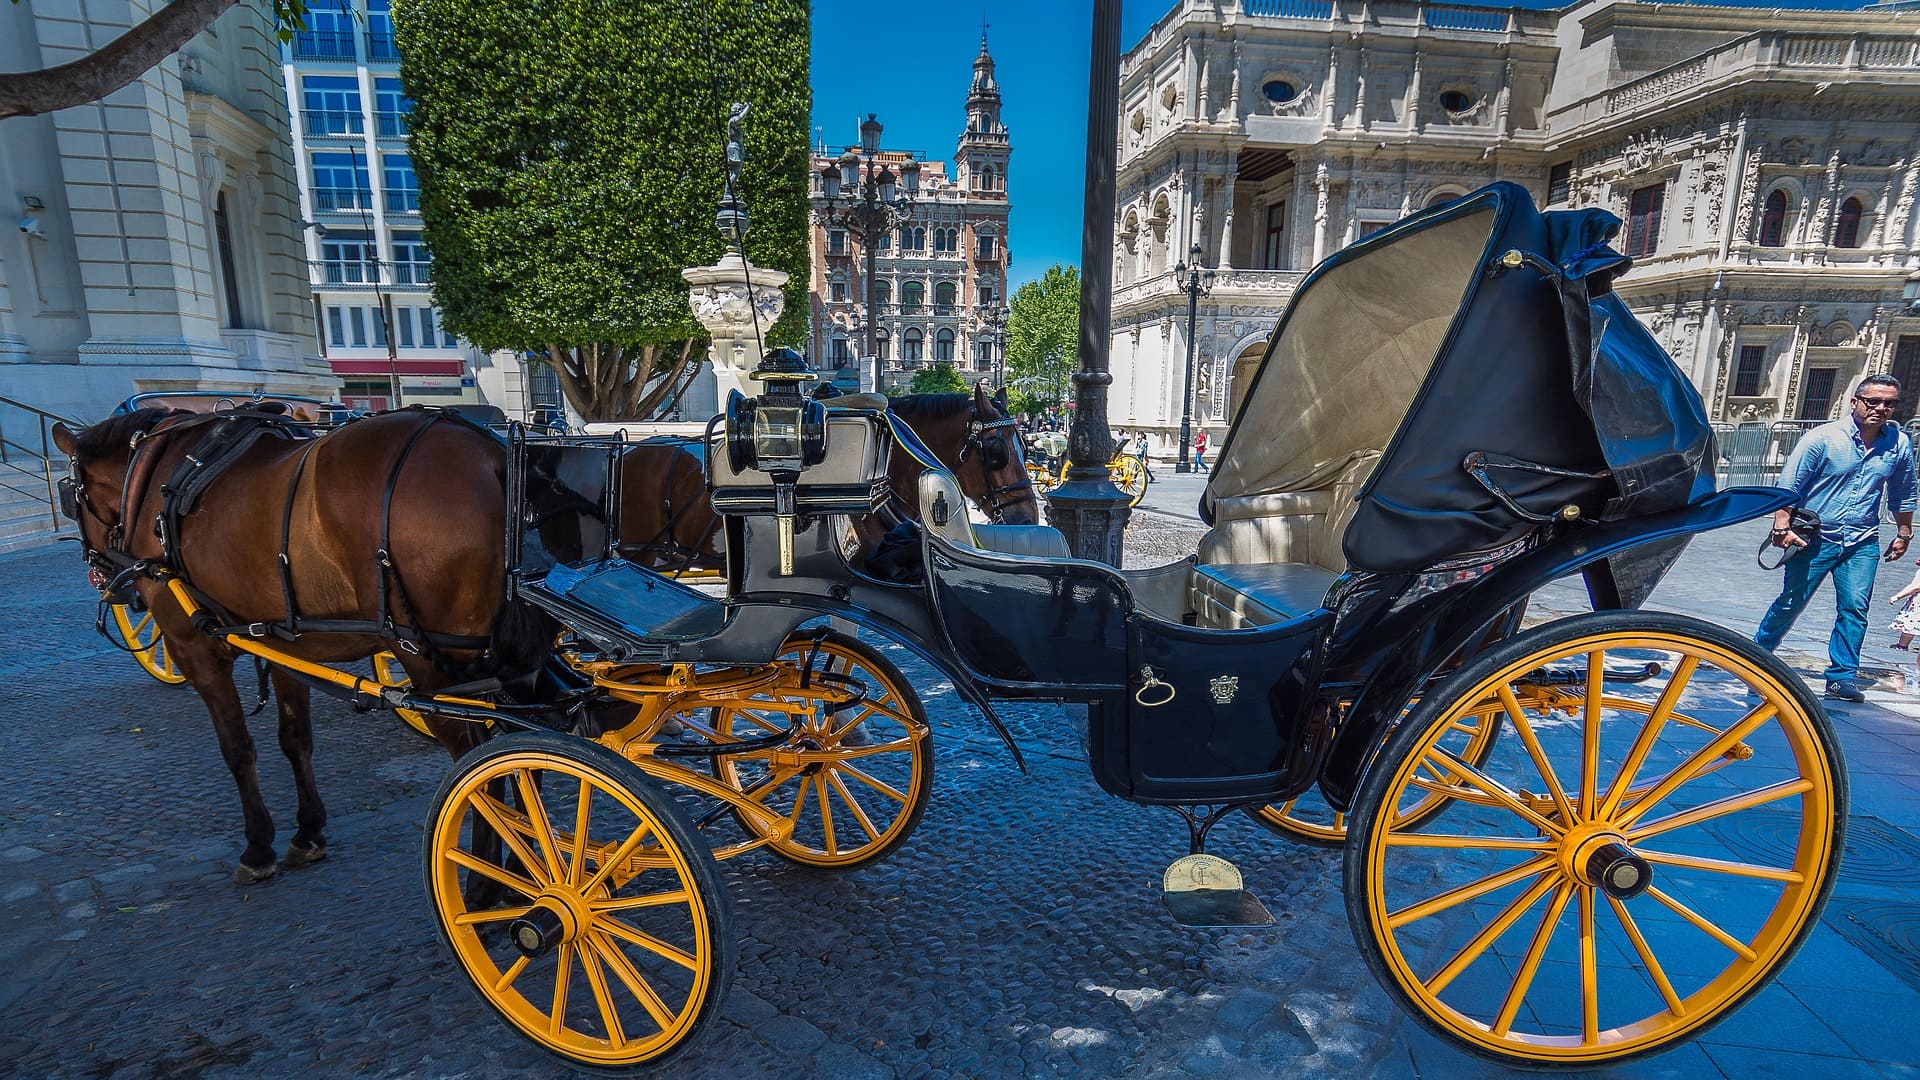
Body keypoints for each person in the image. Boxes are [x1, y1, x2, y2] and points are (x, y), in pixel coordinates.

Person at [1755, 373, 1917, 702]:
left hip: (1861, 542)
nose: (1881, 408)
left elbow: (1904, 491)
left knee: (1855, 608)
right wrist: (1781, 524)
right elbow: (1789, 484)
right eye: (1873, 401)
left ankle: (1841, 677)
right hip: (1814, 538)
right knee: (1790, 603)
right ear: (1855, 402)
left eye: (1889, 403)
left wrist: (1904, 532)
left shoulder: (1898, 444)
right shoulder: (1823, 438)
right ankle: (1755, 657)